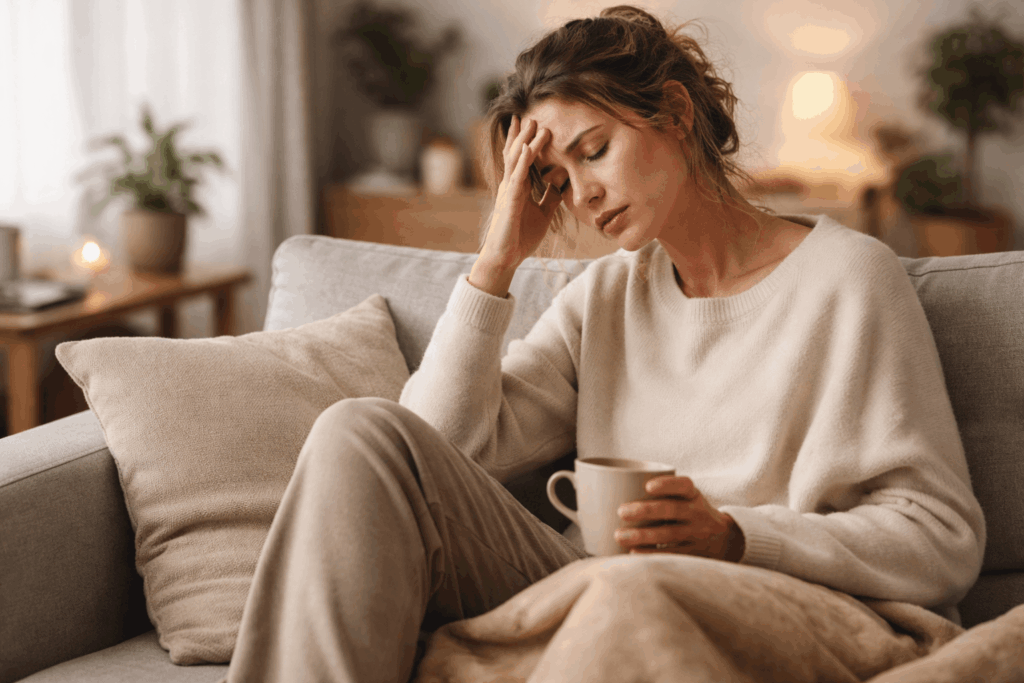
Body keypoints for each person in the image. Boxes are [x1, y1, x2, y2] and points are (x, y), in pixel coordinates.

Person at [221, 6, 985, 682]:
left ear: (675, 113)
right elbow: (438, 447)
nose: (581, 195)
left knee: (627, 588)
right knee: (360, 431)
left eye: (594, 150)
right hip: (594, 582)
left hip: (776, 600)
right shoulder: (605, 295)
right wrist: (497, 260)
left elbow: (941, 537)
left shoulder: (849, 279)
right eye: (557, 176)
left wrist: (735, 537)